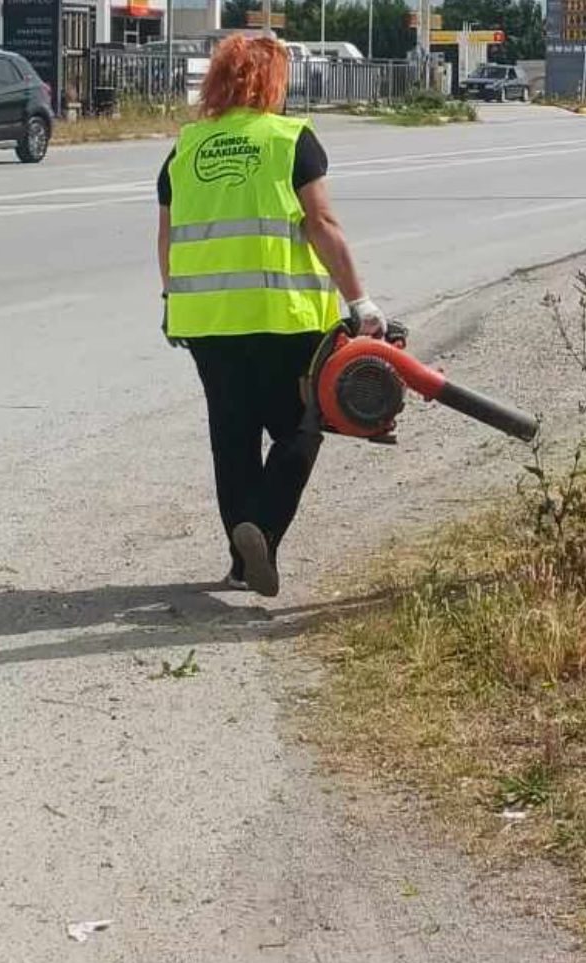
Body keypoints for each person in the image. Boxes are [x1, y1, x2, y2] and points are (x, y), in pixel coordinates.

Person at [156, 33, 384, 598]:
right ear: (272, 83)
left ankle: (242, 559)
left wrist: (171, 302)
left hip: (207, 322)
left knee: (231, 437)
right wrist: (361, 303)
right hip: (286, 318)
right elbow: (321, 225)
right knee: (302, 426)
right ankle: (264, 527)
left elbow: (166, 238)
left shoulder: (185, 147)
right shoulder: (290, 140)